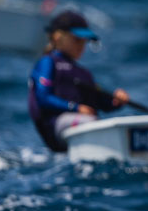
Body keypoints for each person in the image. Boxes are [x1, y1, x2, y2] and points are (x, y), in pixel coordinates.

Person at [27, 10, 128, 152]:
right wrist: (75, 108)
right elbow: (43, 97)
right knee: (92, 123)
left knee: (96, 123)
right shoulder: (48, 62)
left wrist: (116, 101)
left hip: (79, 125)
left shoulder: (83, 73)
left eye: (84, 41)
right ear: (58, 37)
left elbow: (97, 102)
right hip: (56, 126)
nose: (82, 45)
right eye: (77, 39)